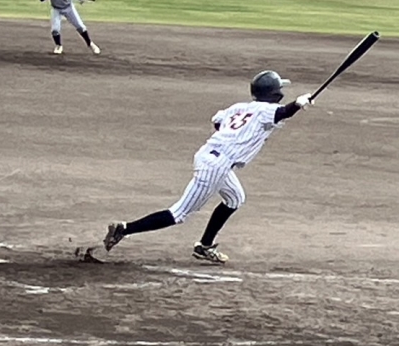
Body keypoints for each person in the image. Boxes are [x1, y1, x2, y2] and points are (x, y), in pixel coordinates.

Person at [103, 70, 313, 265]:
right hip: (216, 165)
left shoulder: (239, 108)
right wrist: (298, 104)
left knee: (235, 198)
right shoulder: (267, 110)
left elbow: (218, 121)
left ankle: (204, 246)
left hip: (211, 157)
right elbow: (284, 112)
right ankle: (124, 229)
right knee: (179, 213)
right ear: (274, 93)